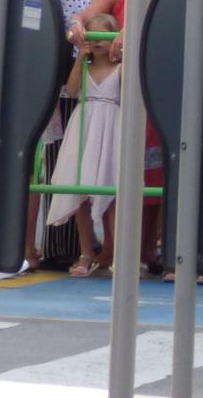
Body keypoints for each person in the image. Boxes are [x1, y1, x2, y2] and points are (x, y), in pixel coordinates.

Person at [46, 15, 123, 277]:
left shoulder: (121, 67)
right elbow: (72, 89)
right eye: (93, 35)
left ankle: (113, 250)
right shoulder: (86, 65)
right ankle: (86, 251)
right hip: (84, 125)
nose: (98, 42)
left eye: (104, 36)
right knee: (80, 191)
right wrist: (80, 55)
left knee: (111, 190)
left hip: (111, 125)